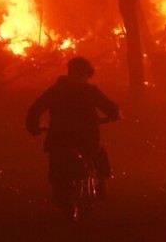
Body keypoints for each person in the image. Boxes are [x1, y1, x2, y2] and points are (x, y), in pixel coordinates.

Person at [26, 57, 121, 209]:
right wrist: (115, 114)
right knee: (98, 153)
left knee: (61, 157)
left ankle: (63, 189)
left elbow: (36, 108)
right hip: (83, 137)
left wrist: (33, 126)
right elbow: (109, 107)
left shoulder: (57, 90)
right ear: (85, 75)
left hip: (60, 138)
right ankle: (101, 182)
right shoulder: (89, 92)